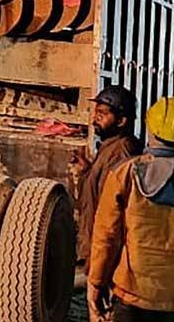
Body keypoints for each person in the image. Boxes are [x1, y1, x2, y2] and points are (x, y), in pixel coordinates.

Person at [88, 97, 174, 322]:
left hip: (132, 296)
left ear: (150, 128)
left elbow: (106, 237)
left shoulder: (125, 174)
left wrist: (96, 283)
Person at [72, 86, 143, 275]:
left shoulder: (122, 151)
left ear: (121, 121)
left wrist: (102, 261)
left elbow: (112, 209)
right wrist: (87, 172)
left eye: (103, 113)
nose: (96, 118)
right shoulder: (109, 147)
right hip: (96, 252)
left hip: (106, 258)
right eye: (96, 112)